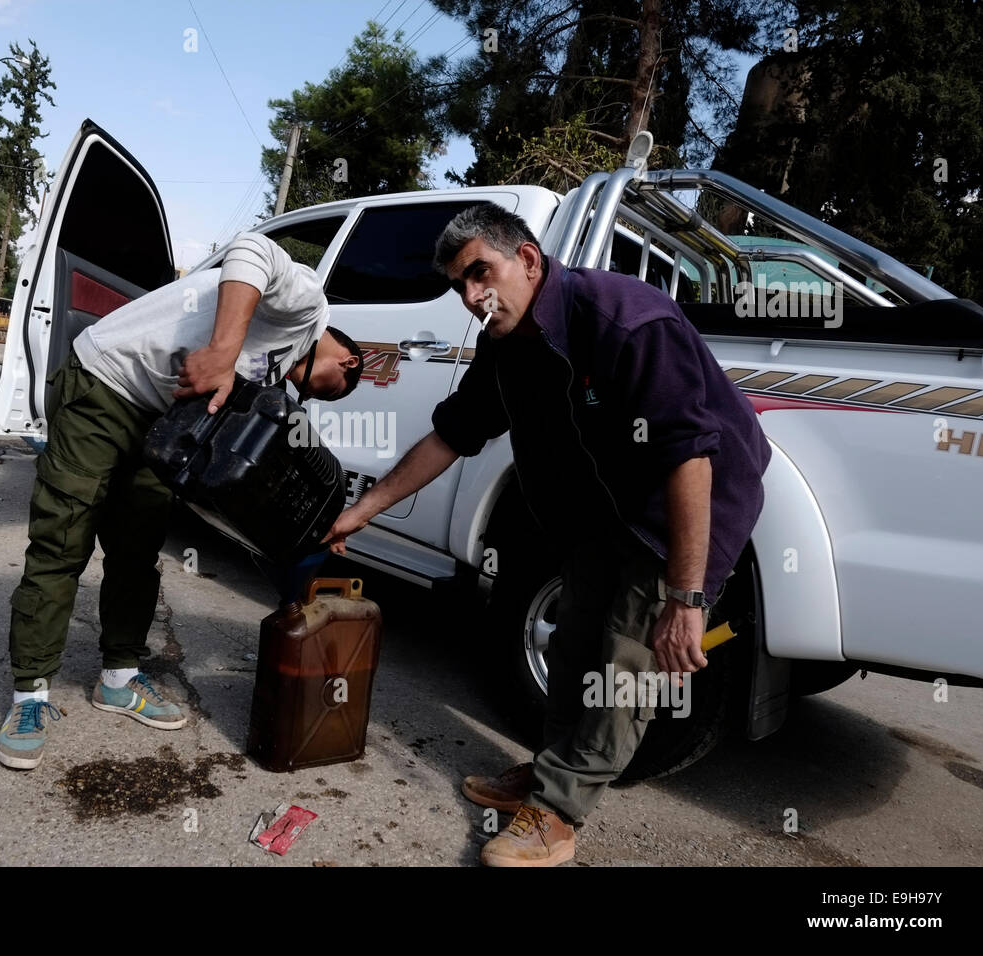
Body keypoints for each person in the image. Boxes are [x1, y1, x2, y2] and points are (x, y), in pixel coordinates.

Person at [323, 204, 771, 866]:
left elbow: (689, 456)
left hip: (675, 503)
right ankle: (550, 771)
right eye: (459, 285)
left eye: (482, 273)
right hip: (597, 511)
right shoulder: (505, 347)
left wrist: (687, 597)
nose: (473, 297)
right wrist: (367, 508)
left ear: (527, 260)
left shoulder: (626, 319)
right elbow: (454, 432)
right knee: (572, 646)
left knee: (626, 663)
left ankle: (558, 815)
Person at [0, 232, 364, 770]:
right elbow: (251, 249)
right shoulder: (306, 306)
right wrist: (222, 352)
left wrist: (321, 525)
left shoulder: (273, 381)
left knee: (137, 549)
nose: (305, 394)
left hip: (162, 426)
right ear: (349, 360)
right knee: (63, 539)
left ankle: (119, 678)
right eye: (324, 388)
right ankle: (29, 697)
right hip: (102, 383)